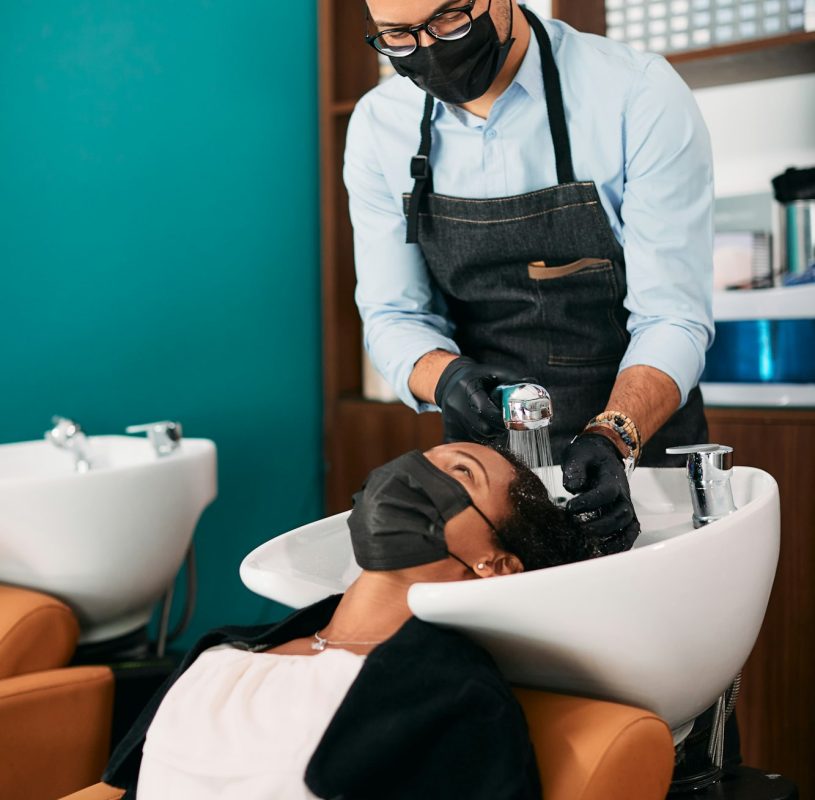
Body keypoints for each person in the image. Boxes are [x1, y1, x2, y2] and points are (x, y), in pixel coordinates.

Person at [346, 0, 715, 556]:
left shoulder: (634, 94)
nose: (429, 49)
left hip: (640, 447)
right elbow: (395, 315)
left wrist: (614, 436)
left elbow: (673, 317)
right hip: (487, 463)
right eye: (399, 35)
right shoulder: (380, 126)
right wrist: (447, 381)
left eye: (449, 18)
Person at [102, 443, 597, 799]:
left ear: (496, 562)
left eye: (461, 472)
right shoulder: (228, 652)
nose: (412, 471)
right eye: (424, 458)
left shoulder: (451, 698)